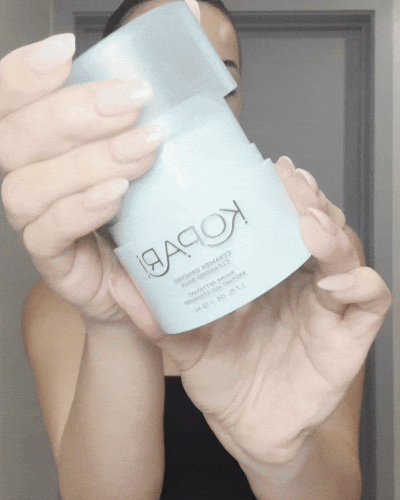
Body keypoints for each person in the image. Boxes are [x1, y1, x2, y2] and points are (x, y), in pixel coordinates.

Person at [0, 0, 391, 498]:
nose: (186, 101)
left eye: (218, 80)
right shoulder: (63, 302)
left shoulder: (311, 256)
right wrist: (113, 322)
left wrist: (282, 456)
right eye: (155, 76)